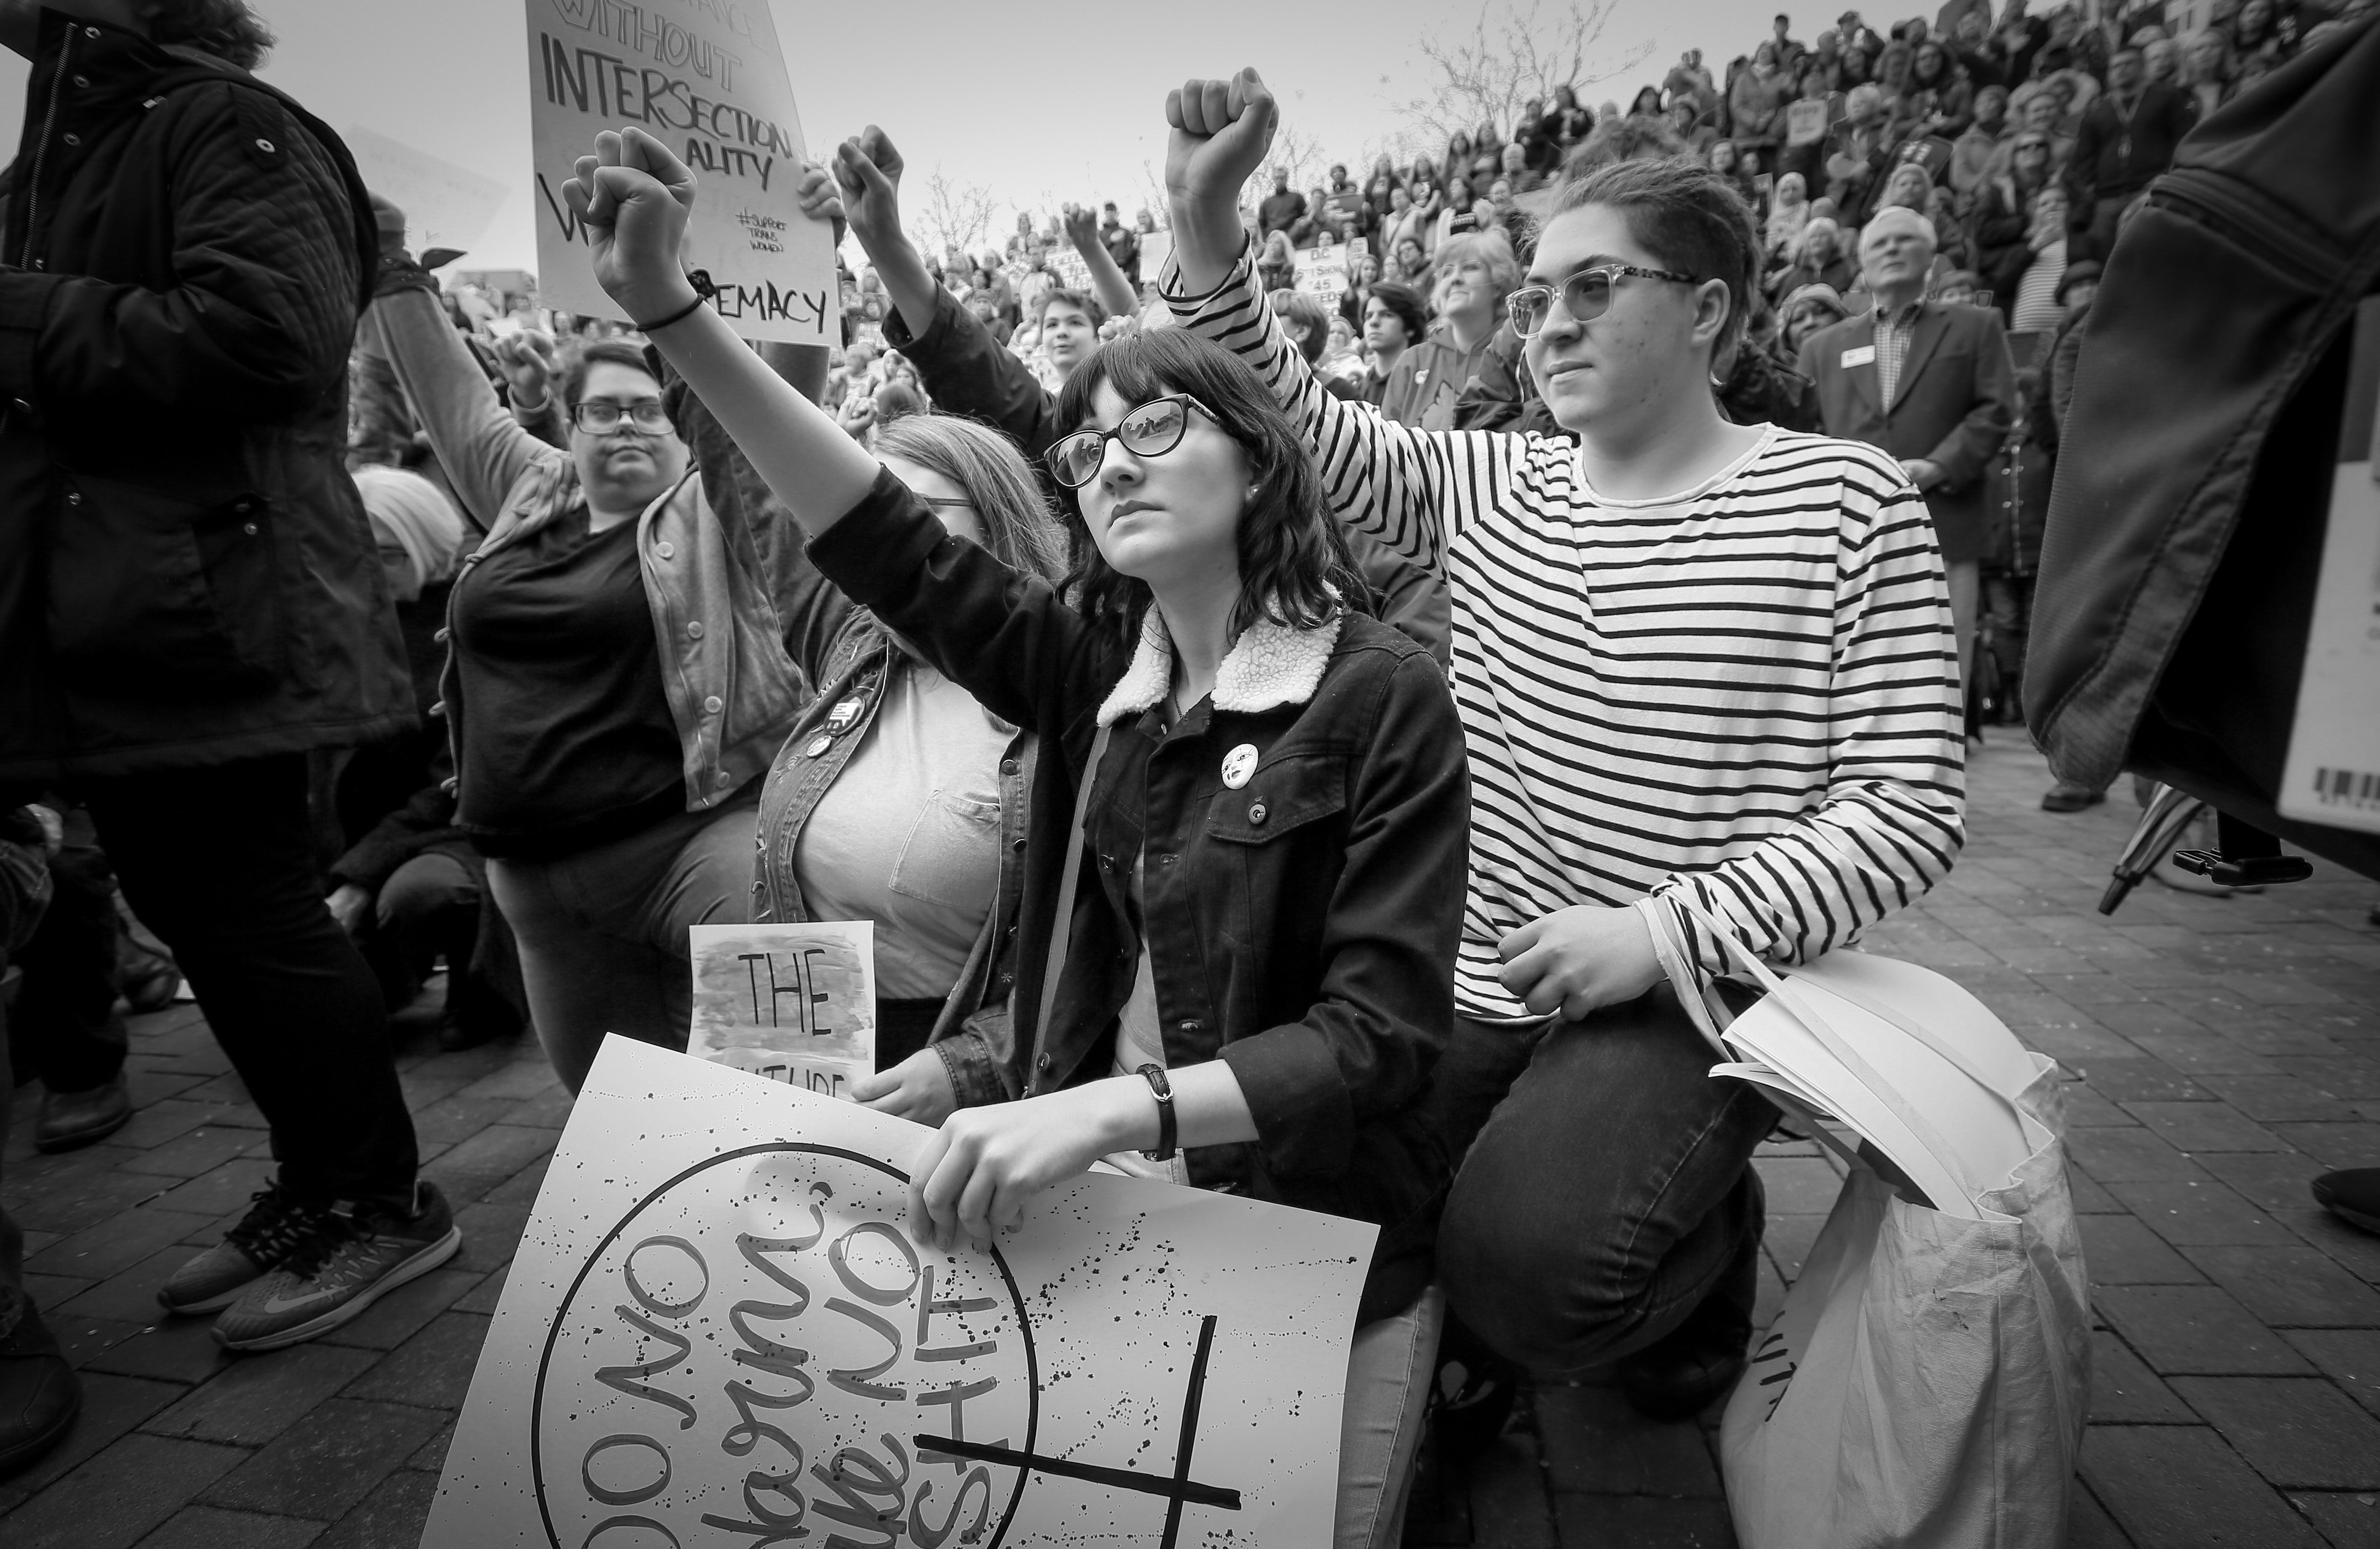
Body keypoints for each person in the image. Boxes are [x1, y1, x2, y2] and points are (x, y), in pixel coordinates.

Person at [570, 120, 1473, 1549]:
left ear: (1260, 463)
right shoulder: (1083, 678)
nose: (1108, 463)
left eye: (1153, 427)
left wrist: (1111, 1112)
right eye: (1087, 444)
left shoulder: (1376, 700)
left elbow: (1377, 1041)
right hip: (1078, 1227)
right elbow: (873, 529)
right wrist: (669, 309)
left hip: (1300, 1244)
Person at [1162, 69, 1961, 1425]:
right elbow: (1295, 423)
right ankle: (1595, 1209)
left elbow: (1903, 809)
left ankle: (1695, 1247)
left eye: (1595, 288)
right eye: (1535, 294)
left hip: (1702, 986)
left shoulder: (1846, 500)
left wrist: (1654, 933)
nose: (1547, 322)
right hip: (1481, 968)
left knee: (1527, 1277)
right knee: (1335, 1221)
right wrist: (1201, 226)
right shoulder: (1496, 482)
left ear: (1705, 309)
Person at [0, 0, 456, 1353]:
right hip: (126, 616)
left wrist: (18, 311)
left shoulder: (224, 125)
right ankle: (320, 1185)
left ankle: (382, 1200)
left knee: (247, 911)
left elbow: (270, 337)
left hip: (211, 611)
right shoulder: (70, 155)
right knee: (196, 908)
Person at [358, 212, 823, 1096]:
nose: (625, 427)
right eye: (601, 410)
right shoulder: (523, 490)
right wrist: (391, 269)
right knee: (620, 1135)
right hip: (532, 881)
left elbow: (783, 401)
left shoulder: (712, 505)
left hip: (699, 850)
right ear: (567, 427)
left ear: (686, 424)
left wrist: (791, 253)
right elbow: (445, 394)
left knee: (795, 1092)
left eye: (649, 408)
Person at [326, 464, 528, 1054]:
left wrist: (358, 877)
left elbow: (450, 782)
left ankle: (479, 992)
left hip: (449, 826)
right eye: (353, 547)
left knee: (423, 892)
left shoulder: (462, 623)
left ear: (423, 545)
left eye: (387, 552)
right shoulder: (341, 618)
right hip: (355, 831)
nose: (366, 566)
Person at [1799, 205, 2017, 701]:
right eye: (1879, 244)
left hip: (1944, 520)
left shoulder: (1976, 327)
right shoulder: (1821, 347)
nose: (1891, 249)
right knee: (1852, 667)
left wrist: (1938, 466)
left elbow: (1996, 408)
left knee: (1940, 669)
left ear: (1930, 257)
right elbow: (1808, 432)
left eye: (1903, 240)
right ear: (1862, 264)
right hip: (1846, 533)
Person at [1378, 231, 1517, 430]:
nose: (1455, 279)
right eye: (1446, 273)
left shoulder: (1520, 354)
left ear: (1498, 285)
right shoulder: (1412, 361)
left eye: (1469, 268)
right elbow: (1388, 449)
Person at [2068, 45, 2194, 252]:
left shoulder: (2166, 98)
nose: (2121, 70)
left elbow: (2182, 139)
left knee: (2154, 251)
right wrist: (2091, 190)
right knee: (2103, 256)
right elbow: (2083, 159)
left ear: (2143, 67)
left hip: (2153, 190)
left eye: (2128, 64)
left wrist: (2167, 176)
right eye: (2115, 66)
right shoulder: (2098, 112)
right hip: (2106, 198)